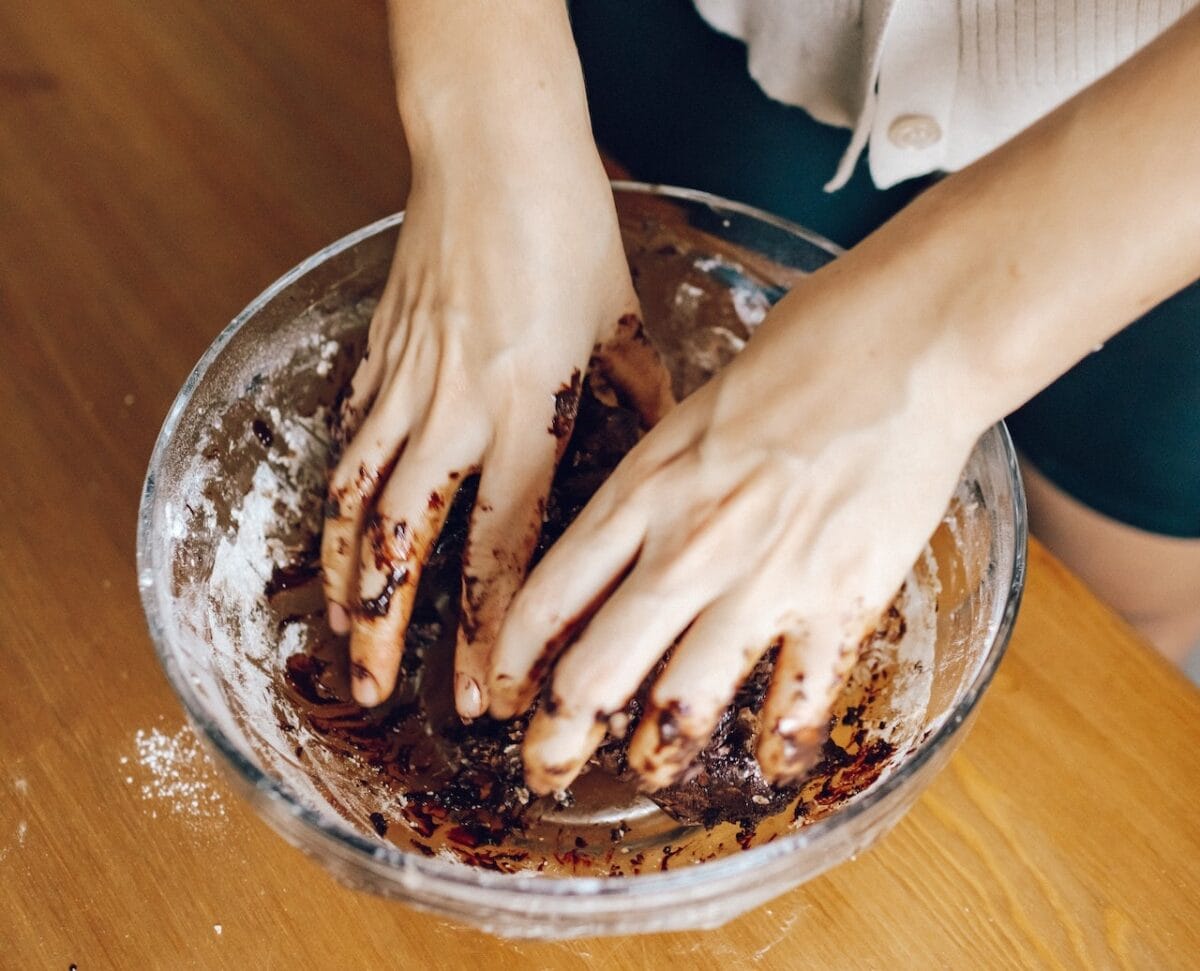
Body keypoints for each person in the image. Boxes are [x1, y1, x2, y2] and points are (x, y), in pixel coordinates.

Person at [321, 1, 1200, 795]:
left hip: (1155, 191)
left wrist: (929, 346)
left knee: (1111, 639)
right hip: (704, 43)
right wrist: (484, 107)